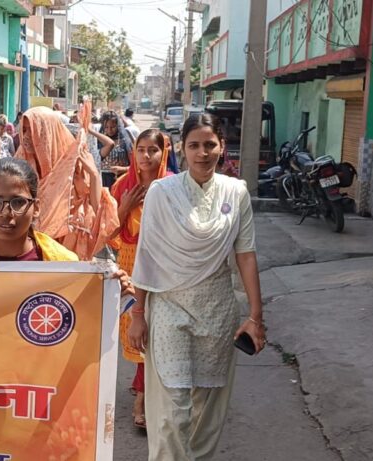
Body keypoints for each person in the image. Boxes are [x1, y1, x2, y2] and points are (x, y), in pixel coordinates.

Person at [128, 114, 266, 460]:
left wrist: (255, 316)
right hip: (169, 307)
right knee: (173, 412)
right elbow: (147, 255)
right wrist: (138, 313)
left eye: (209, 145)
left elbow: (246, 254)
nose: (202, 153)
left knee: (206, 410)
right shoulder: (162, 193)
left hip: (216, 310)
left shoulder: (236, 192)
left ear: (222, 147)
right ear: (182, 149)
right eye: (194, 146)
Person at [0, 158, 132, 297]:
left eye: (18, 202)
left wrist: (111, 291)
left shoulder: (63, 263)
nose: (6, 212)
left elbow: (82, 317)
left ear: (36, 208)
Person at [109, 128, 174, 430]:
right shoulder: (123, 185)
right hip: (129, 265)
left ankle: (143, 396)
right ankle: (143, 387)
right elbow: (109, 232)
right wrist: (125, 207)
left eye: (153, 150)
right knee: (137, 329)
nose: (146, 156)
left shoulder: (173, 185)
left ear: (164, 152)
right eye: (141, 149)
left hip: (162, 266)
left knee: (158, 327)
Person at [16, 103, 118, 261]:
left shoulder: (74, 165)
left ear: (48, 132)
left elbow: (96, 209)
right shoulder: (19, 163)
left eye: (33, 130)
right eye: (24, 130)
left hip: (68, 250)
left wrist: (93, 175)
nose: (26, 136)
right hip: (30, 251)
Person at [90, 111, 134, 188]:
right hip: (102, 180)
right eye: (106, 127)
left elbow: (135, 164)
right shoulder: (98, 141)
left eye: (113, 127)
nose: (109, 130)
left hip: (120, 179)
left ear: (118, 126)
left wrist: (124, 169)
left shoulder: (125, 141)